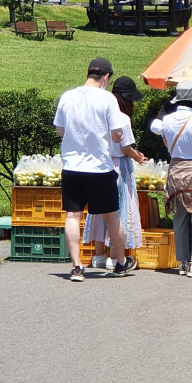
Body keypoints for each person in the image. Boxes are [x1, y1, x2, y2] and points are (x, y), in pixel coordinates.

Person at [53, 57, 133, 281]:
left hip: (72, 166)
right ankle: (120, 262)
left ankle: (77, 267)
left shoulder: (67, 96)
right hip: (99, 167)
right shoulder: (108, 99)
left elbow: (60, 130)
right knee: (112, 217)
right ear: (106, 77)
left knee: (72, 216)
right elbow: (117, 134)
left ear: (88, 73)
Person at [154, 80, 192, 277]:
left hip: (176, 171)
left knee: (179, 218)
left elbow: (166, 144)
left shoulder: (167, 121)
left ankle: (182, 262)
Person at [84, 76, 147, 267]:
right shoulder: (123, 118)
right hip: (119, 167)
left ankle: (99, 256)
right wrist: (137, 156)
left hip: (99, 164)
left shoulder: (100, 113)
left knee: (99, 211)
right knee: (117, 212)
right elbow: (126, 147)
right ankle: (114, 256)